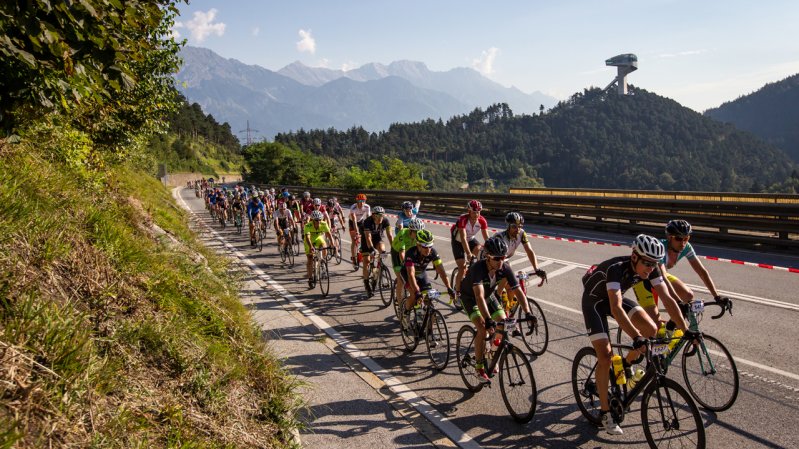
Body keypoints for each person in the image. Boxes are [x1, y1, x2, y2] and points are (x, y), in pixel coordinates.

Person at [580, 234, 694, 435]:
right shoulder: (616, 269)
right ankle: (605, 413)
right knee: (605, 356)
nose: (650, 269)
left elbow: (667, 298)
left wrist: (687, 331)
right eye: (647, 264)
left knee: (651, 330)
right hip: (594, 303)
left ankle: (624, 366)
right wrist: (635, 337)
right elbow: (615, 308)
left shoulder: (652, 268)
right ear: (634, 257)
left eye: (654, 264)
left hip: (614, 299)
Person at [458, 237, 537, 382]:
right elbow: (479, 297)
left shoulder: (504, 267)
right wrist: (488, 320)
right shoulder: (478, 269)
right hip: (470, 298)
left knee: (503, 323)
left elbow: (518, 291)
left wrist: (528, 313)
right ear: (488, 257)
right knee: (482, 327)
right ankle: (479, 368)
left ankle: (491, 354)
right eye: (497, 258)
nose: (501, 261)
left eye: (503, 258)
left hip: (489, 296)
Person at [632, 219, 728, 323]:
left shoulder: (686, 247)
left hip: (658, 277)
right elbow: (663, 277)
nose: (682, 243)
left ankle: (673, 327)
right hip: (643, 279)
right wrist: (678, 302)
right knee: (654, 324)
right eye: (678, 238)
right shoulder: (659, 248)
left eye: (686, 238)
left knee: (688, 295)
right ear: (669, 237)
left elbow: (702, 271)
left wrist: (717, 296)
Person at [399, 229, 456, 326]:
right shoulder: (410, 253)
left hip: (421, 273)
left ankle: (429, 334)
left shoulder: (433, 252)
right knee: (414, 294)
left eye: (430, 246)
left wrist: (449, 287)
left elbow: (441, 271)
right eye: (425, 246)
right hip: (407, 274)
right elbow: (411, 274)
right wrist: (417, 291)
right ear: (418, 245)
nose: (428, 250)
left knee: (428, 300)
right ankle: (406, 313)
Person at [493, 212, 547, 300]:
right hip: (493, 261)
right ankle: (496, 298)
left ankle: (507, 311)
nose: (517, 229)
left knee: (511, 290)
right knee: (507, 273)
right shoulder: (500, 238)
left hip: (504, 260)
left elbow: (529, 251)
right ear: (508, 226)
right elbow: (496, 262)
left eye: (520, 226)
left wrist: (537, 269)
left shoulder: (521, 234)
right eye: (514, 226)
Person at [450, 200, 490, 308]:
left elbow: (487, 239)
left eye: (478, 212)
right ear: (469, 211)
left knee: (480, 249)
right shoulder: (463, 219)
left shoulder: (482, 221)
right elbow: (463, 238)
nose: (476, 214)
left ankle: (473, 267)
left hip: (471, 239)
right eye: (474, 212)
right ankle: (458, 293)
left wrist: (491, 251)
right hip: (458, 241)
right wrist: (468, 253)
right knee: (462, 268)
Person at [360, 206, 393, 296]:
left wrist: (394, 247)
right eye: (379, 216)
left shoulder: (385, 221)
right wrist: (371, 249)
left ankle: (377, 273)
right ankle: (367, 284)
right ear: (374, 215)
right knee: (366, 261)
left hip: (378, 238)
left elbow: (389, 235)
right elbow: (368, 237)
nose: (381, 217)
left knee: (382, 251)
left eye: (382, 215)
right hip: (367, 241)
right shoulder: (367, 221)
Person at [391, 218, 425, 303]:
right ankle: (400, 305)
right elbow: (401, 253)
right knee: (401, 279)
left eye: (419, 232)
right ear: (410, 230)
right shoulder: (403, 233)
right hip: (397, 252)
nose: (418, 235)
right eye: (416, 232)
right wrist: (405, 265)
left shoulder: (419, 237)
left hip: (409, 252)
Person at [304, 210, 333, 287]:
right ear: (313, 220)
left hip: (318, 237)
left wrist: (333, 244)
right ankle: (310, 278)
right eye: (316, 220)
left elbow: (329, 234)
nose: (318, 221)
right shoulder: (308, 225)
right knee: (310, 258)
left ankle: (322, 261)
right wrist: (311, 247)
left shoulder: (324, 223)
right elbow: (307, 237)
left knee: (324, 245)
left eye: (320, 219)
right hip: (309, 240)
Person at [349, 193, 371, 268]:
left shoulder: (367, 207)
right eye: (359, 201)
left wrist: (369, 229)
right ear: (357, 201)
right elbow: (354, 220)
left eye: (363, 201)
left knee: (365, 236)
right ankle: (353, 259)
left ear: (365, 201)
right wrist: (357, 232)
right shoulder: (353, 207)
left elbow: (368, 218)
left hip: (361, 221)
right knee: (354, 240)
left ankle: (362, 249)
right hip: (352, 222)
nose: (361, 203)